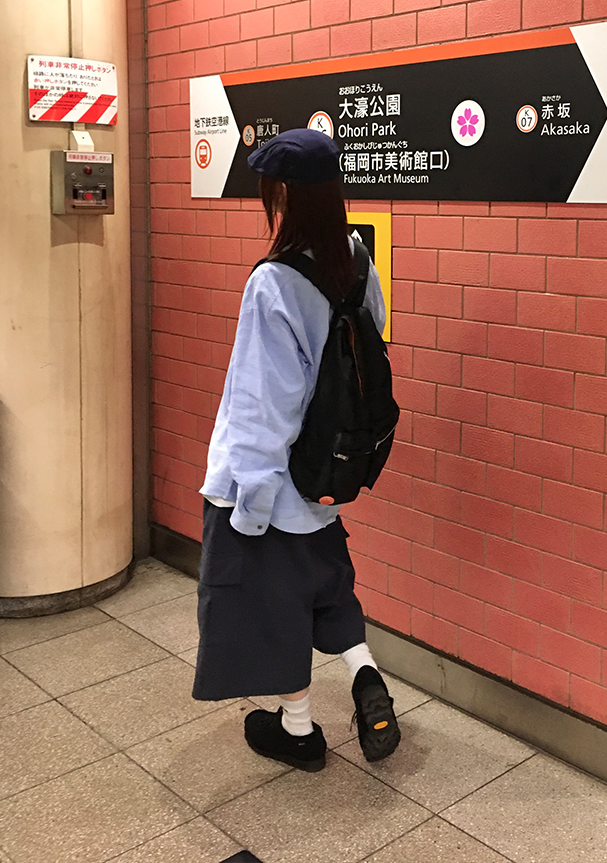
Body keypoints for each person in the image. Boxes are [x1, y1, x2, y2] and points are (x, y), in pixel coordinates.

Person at [191, 127, 401, 773]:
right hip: (326, 474)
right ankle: (366, 676)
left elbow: (262, 408)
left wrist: (248, 509)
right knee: (329, 588)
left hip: (276, 488)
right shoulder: (357, 263)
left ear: (282, 195)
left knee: (275, 611)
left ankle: (301, 730)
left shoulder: (274, 284)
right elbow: (373, 340)